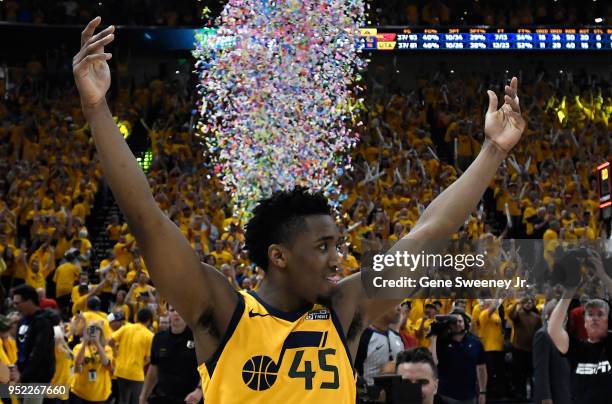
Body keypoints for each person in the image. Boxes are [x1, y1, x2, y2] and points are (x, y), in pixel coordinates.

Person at [73, 16, 526, 403]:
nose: (336, 258)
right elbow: (146, 218)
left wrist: (491, 152)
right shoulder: (223, 312)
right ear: (280, 255)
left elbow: (430, 232)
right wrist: (97, 110)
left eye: (337, 245)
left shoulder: (345, 308)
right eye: (323, 246)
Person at [548, 250, 612, 403]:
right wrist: (570, 290)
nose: (595, 318)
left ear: (608, 320)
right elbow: (553, 330)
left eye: (600, 314)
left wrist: (603, 275)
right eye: (590, 314)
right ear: (584, 322)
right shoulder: (578, 348)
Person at [139, 306, 202, 404]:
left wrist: (199, 390)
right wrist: (143, 396)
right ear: (167, 313)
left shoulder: (198, 338)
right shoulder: (159, 338)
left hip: (188, 399)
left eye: (180, 310)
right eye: (172, 310)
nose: (176, 313)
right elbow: (153, 370)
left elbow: (207, 368)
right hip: (162, 397)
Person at [429, 310, 487, 404]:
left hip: (469, 395)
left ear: (465, 323)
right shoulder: (441, 341)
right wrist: (434, 337)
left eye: (460, 321)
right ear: (449, 325)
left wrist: (482, 392)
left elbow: (481, 368)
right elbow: (433, 362)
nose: (457, 324)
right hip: (446, 396)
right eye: (453, 322)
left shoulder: (475, 342)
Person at [109, 308, 154, 404]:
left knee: (123, 400)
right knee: (138, 401)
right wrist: (141, 363)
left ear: (136, 317)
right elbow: (149, 358)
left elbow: (110, 341)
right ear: (149, 320)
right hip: (136, 372)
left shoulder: (126, 328)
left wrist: (116, 352)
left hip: (120, 370)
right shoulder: (149, 335)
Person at [355, 305, 404, 388]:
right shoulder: (362, 337)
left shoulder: (398, 337)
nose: (399, 308)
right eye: (395, 304)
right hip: (369, 398)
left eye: (400, 304)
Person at [533, 299, 571, 404]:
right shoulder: (543, 334)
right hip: (553, 396)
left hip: (564, 392)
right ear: (549, 315)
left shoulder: (563, 333)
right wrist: (546, 398)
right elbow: (541, 370)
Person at [71, 322, 114, 403]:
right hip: (80, 391)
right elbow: (78, 362)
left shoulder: (107, 349)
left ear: (100, 334)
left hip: (100, 392)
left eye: (95, 332)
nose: (92, 334)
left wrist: (97, 343)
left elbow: (106, 363)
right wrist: (84, 343)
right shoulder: (78, 347)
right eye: (90, 331)